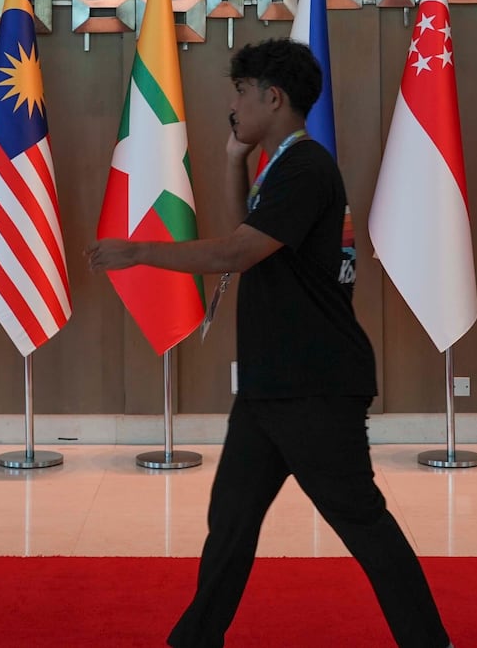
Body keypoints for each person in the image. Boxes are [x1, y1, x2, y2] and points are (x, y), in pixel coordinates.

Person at [87, 38, 452, 648]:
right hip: (270, 387)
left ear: (272, 96)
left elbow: (234, 253)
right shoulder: (281, 165)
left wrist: (137, 251)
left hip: (314, 385)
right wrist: (233, 161)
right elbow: (248, 238)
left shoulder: (306, 168)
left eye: (240, 92)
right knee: (229, 523)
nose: (232, 105)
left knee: (362, 522)